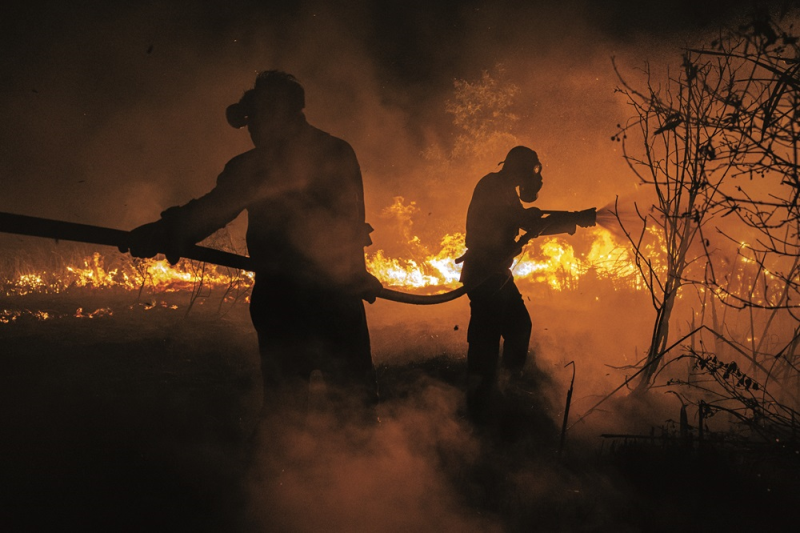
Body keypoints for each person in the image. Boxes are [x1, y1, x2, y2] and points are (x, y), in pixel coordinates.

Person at [123, 70, 383, 426]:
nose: (251, 129)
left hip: (287, 302)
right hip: (336, 299)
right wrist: (356, 273)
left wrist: (161, 232)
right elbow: (353, 224)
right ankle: (357, 471)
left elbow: (210, 212)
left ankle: (284, 471)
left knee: (286, 412)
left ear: (278, 113)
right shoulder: (337, 151)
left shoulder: (255, 167)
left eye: (255, 118)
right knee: (354, 410)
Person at [458, 146, 581, 420]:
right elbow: (520, 220)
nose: (536, 176)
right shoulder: (493, 186)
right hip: (485, 275)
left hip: (496, 274)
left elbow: (525, 223)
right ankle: (478, 406)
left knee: (518, 326)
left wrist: (570, 222)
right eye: (533, 169)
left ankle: (503, 390)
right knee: (486, 343)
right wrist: (542, 218)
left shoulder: (505, 190)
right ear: (520, 167)